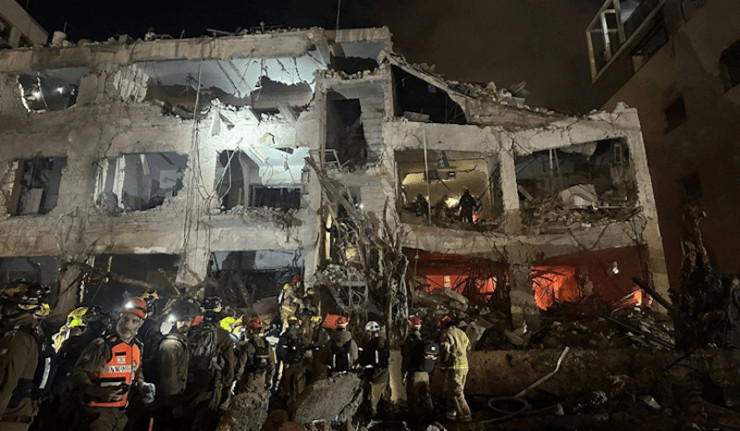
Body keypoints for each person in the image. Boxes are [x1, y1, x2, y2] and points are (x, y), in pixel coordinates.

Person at [73, 297, 155, 431]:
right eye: (125, 319)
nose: (128, 325)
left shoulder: (137, 347)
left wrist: (141, 384)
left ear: (140, 324)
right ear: (119, 318)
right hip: (96, 413)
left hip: (120, 413)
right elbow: (78, 372)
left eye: (134, 321)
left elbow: (136, 369)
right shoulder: (102, 345)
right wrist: (99, 392)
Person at [0, 281, 52, 431]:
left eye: (5, 304)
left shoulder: (18, 338)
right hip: (17, 417)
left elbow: (5, 383)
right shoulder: (34, 332)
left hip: (8, 419)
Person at [154, 297, 199, 430]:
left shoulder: (181, 341)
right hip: (167, 401)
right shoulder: (171, 344)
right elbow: (168, 376)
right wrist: (174, 404)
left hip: (176, 396)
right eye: (181, 319)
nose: (184, 323)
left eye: (188, 319)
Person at [436, 314, 472, 422]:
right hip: (464, 366)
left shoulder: (447, 333)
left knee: (457, 392)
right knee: (451, 390)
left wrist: (443, 364)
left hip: (454, 367)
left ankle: (466, 415)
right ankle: (452, 413)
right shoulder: (461, 332)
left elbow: (446, 351)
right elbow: (469, 347)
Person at [401, 316, 438, 422]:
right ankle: (431, 417)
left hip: (414, 373)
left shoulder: (410, 340)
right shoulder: (423, 339)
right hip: (425, 373)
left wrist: (403, 372)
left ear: (410, 326)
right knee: (425, 395)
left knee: (412, 397)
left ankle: (415, 420)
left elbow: (407, 358)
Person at [235, 317, 275, 398]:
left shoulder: (247, 346)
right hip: (262, 380)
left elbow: (241, 366)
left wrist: (236, 380)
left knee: (246, 400)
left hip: (248, 380)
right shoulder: (267, 345)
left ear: (251, 330)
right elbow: (272, 365)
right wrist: (269, 379)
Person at [358, 321, 389, 417]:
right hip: (384, 374)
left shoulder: (371, 344)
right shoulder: (384, 342)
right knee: (384, 396)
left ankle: (373, 417)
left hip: (374, 375)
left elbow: (364, 360)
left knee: (373, 400)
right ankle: (386, 414)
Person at [276, 316, 307, 404]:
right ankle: (288, 397)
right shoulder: (288, 335)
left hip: (296, 362)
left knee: (294, 381)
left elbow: (303, 346)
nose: (293, 325)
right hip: (292, 362)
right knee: (289, 381)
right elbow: (280, 350)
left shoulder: (297, 335)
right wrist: (286, 359)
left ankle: (292, 397)